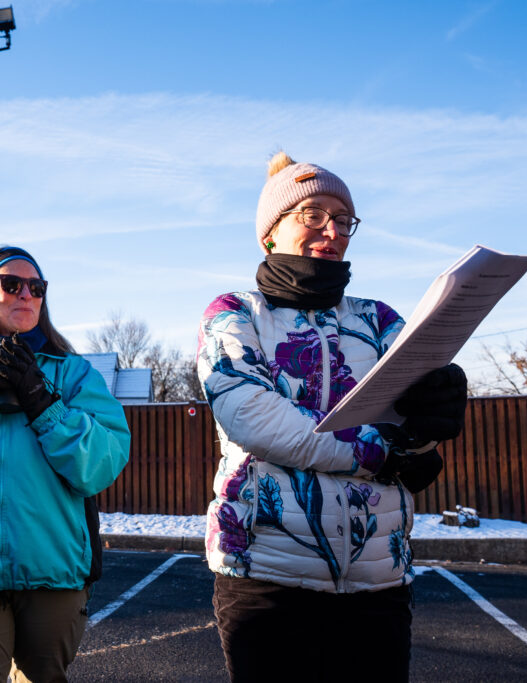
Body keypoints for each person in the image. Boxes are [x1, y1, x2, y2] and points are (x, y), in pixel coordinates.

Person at [197, 152, 468, 681]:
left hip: (378, 583)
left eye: (343, 219)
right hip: (264, 579)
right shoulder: (233, 313)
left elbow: (412, 439)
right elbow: (256, 421)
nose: (333, 230)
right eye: (313, 214)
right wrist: (383, 452)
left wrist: (431, 417)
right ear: (270, 232)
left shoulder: (380, 320)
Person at [0, 246, 131, 682]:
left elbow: (98, 465)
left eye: (36, 287)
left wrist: (42, 402)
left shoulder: (74, 373)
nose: (25, 294)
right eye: (10, 284)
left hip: (53, 572)